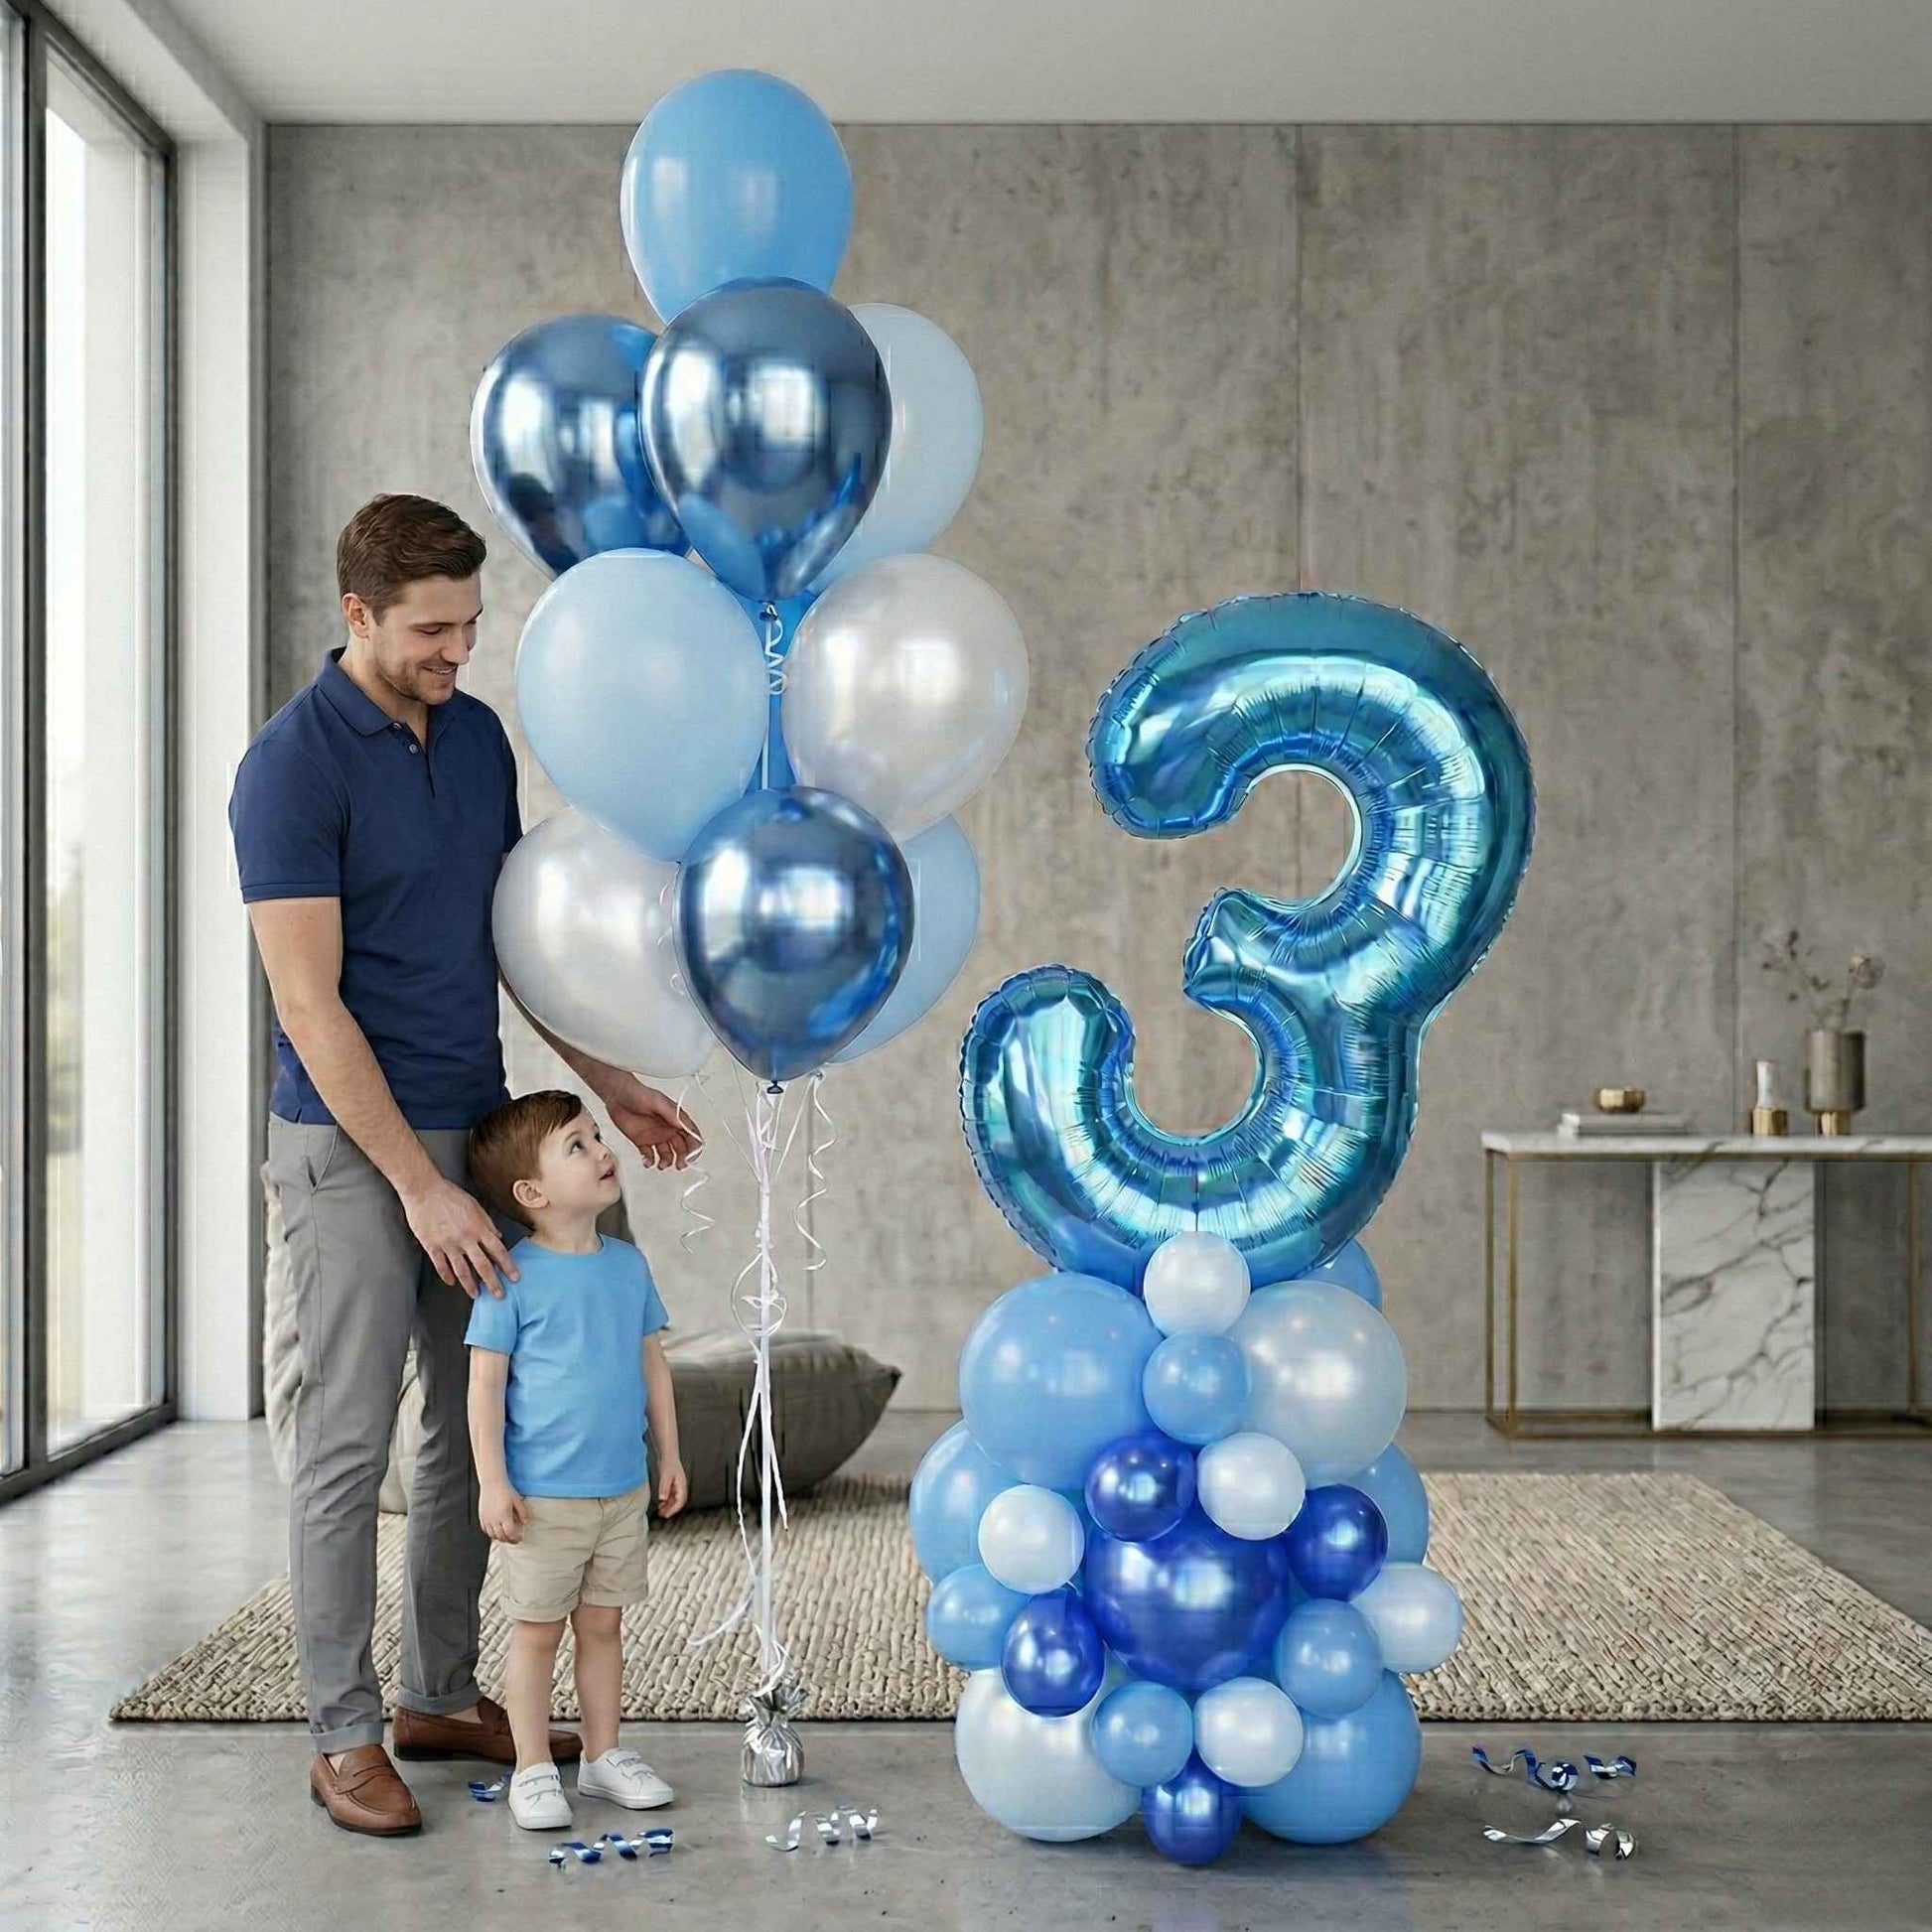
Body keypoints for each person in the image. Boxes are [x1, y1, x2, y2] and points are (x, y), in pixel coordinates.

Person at [229, 493, 700, 1838]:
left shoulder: (478, 738)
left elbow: (513, 939)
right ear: (358, 613)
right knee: (349, 1435)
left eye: (470, 625)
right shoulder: (290, 768)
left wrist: (606, 1074)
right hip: (347, 1145)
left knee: (469, 1418)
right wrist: (417, 1184)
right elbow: (308, 1005)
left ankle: (437, 1692)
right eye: (430, 629)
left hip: (471, 1122)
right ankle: (341, 1733)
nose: (457, 650)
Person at [464, 1090, 688, 1830]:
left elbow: (652, 1364)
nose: (602, 1151)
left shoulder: (627, 1266)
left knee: (603, 1627)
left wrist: (669, 1455)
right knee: (536, 1633)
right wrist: (493, 1482)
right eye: (578, 1145)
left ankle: (602, 1754)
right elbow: (485, 1387)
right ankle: (532, 1766)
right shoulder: (510, 1277)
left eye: (596, 1136)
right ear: (532, 1193)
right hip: (543, 1500)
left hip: (621, 1491)